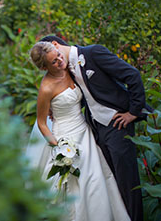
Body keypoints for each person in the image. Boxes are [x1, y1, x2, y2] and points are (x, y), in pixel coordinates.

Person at [35, 35, 152, 221]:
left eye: (58, 56)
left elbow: (132, 75)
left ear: (56, 45)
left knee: (127, 181)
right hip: (95, 129)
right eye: (53, 61)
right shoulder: (64, 69)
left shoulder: (93, 53)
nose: (58, 61)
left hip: (117, 124)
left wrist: (133, 112)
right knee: (108, 181)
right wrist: (54, 108)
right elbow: (84, 95)